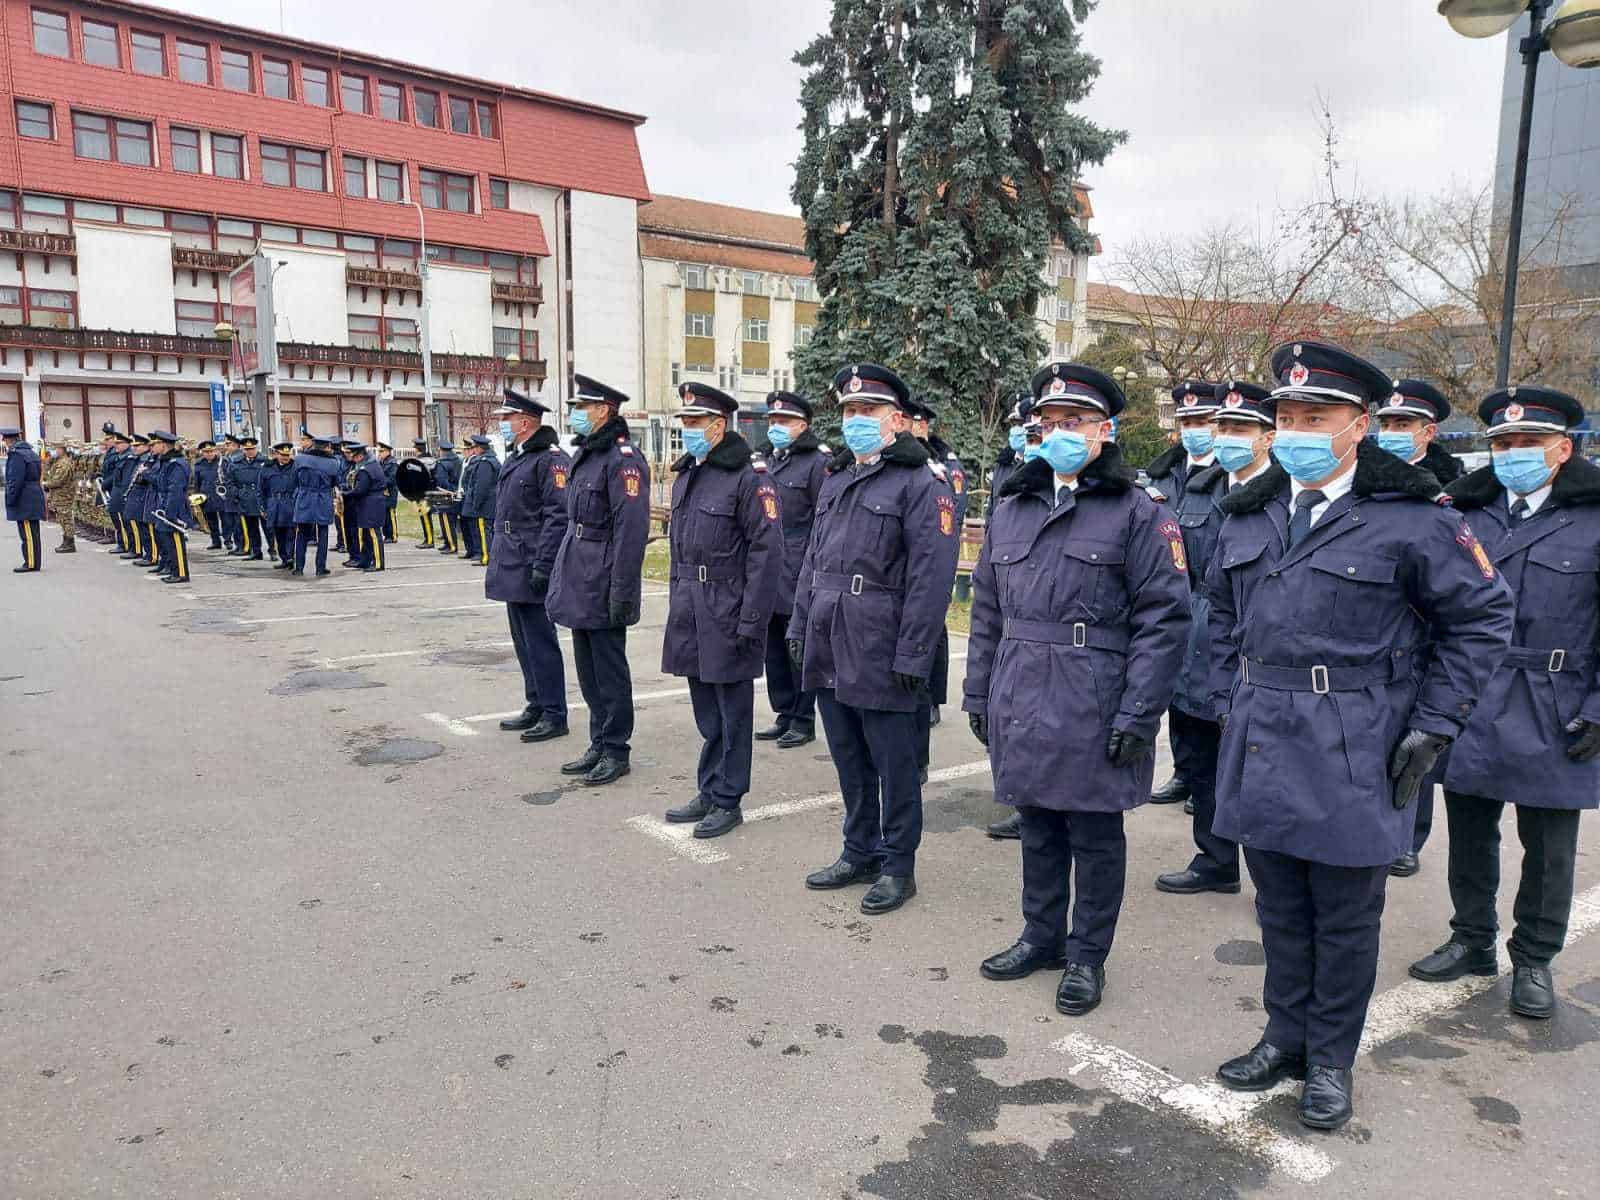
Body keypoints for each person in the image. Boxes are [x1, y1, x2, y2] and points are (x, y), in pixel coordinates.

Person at [1206, 340, 1513, 1132]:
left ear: (1360, 425)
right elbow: (1218, 613)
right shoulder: (1253, 509)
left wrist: (1436, 723)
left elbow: (1481, 620)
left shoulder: (1412, 520)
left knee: (1344, 914)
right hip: (1263, 731)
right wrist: (1221, 696)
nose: (1298, 429)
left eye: (1318, 416)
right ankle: (1283, 1036)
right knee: (1278, 906)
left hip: (1356, 736)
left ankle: (1332, 1059)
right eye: (1287, 416)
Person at [965, 362, 1189, 1015]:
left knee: (1093, 836)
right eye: (1050, 423)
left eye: (1074, 422)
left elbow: (1165, 619)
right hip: (1022, 689)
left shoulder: (1137, 512)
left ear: (1105, 430)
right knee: (1036, 824)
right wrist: (979, 692)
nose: (1059, 433)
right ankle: (1041, 936)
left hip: (1095, 695)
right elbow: (986, 609)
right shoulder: (1013, 506)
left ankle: (1087, 956)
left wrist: (1139, 712)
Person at [1409, 386, 1600, 1022]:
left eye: (1527, 442)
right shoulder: (1469, 512)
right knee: (1468, 827)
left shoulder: (1595, 517)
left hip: (1556, 696)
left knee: (1548, 842)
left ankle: (1536, 958)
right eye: (1502, 443)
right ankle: (1471, 939)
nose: (1512, 452)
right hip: (1474, 692)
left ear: (1563, 448)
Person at [788, 363, 961, 914]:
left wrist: (914, 652)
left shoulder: (921, 484)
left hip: (882, 643)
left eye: (868, 411)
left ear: (898, 420)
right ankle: (858, 848)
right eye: (849, 411)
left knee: (895, 763)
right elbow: (812, 561)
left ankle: (897, 864)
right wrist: (798, 625)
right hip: (830, 636)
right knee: (847, 756)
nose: (856, 420)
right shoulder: (837, 478)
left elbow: (931, 580)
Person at [1153, 380, 1276, 897]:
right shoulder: (1202, 489)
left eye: (1238, 428)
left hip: (1260, 648)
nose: (1225, 436)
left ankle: (1274, 883)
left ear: (1266, 437)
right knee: (1204, 759)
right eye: (1220, 426)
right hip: (1200, 636)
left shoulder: (1287, 497)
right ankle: (1215, 859)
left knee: (1262, 768)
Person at [660, 382, 782, 838]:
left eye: (695, 422)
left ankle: (729, 797)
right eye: (684, 422)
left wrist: (752, 618)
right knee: (706, 709)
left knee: (733, 711)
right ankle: (710, 787)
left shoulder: (749, 477)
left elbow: (766, 553)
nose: (687, 430)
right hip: (691, 607)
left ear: (718, 424)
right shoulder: (690, 472)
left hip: (728, 606)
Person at [1372, 378, 1464, 878]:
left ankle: (1411, 835)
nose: (1392, 432)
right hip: (1380, 630)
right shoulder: (1367, 478)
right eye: (1387, 423)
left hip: (1426, 633)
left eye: (1402, 425)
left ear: (1427, 433)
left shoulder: (1450, 490)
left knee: (1418, 742)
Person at [545, 373, 651, 786]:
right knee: (587, 669)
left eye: (581, 407)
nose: (575, 415)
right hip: (579, 572)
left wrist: (622, 591)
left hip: (605, 576)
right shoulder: (588, 454)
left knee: (609, 669)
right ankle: (598, 741)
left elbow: (631, 531)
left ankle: (616, 748)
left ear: (603, 411)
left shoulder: (623, 460)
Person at [1143, 380, 1220, 809]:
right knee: (1174, 694)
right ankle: (1184, 773)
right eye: (1186, 420)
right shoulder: (1162, 474)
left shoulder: (1228, 476)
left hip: (1205, 597)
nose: (1193, 428)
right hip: (1168, 597)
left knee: (1204, 699)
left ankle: (1206, 782)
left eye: (1202, 420)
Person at [488, 387, 573, 744]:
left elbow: (558, 515)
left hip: (531, 556)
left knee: (539, 638)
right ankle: (536, 702)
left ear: (525, 422)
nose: (503, 425)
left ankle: (555, 712)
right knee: (522, 637)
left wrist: (544, 563)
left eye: (507, 419)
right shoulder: (519, 456)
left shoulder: (550, 460)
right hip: (511, 554)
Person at [754, 390, 829, 750]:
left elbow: (824, 519)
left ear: (802, 425)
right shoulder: (767, 461)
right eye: (772, 421)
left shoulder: (816, 463)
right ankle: (784, 711)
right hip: (767, 567)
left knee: (797, 645)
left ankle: (803, 718)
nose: (776, 427)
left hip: (800, 567)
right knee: (772, 648)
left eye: (783, 422)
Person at [291, 435, 342, 577]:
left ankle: (299, 568)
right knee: (323, 533)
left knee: (301, 533)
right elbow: (335, 482)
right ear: (327, 447)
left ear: (313, 445)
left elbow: (294, 479)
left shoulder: (300, 459)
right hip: (323, 498)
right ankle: (320, 568)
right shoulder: (333, 462)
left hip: (304, 497)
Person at [150, 430, 194, 584]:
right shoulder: (166, 461)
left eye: (155, 444)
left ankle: (181, 573)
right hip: (164, 503)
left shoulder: (176, 464)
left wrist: (170, 512)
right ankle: (174, 570)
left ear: (163, 444)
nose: (152, 447)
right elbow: (161, 482)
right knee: (167, 540)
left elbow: (175, 489)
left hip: (175, 507)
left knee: (175, 541)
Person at [2, 427, 44, 573]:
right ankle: (33, 561)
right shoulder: (30, 453)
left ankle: (31, 563)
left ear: (9, 440)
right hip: (33, 495)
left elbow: (15, 480)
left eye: (5, 439)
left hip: (24, 498)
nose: (4, 442)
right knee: (33, 532)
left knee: (28, 534)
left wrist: (11, 499)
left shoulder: (17, 455)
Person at [341, 442, 387, 572]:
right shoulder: (371, 465)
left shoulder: (365, 469)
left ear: (360, 456)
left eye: (354, 457)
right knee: (367, 534)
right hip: (371, 503)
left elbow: (360, 490)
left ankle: (378, 563)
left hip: (371, 504)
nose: (353, 460)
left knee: (373, 534)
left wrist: (345, 494)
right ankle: (366, 560)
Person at [458, 434, 500, 566]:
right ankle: (488, 556)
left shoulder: (485, 462)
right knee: (487, 530)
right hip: (489, 502)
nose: (473, 449)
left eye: (475, 447)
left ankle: (486, 557)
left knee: (484, 531)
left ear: (481, 448)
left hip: (485, 504)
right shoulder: (489, 460)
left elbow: (482, 486)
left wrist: (476, 503)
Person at [988, 392, 1031, 512]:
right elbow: (991, 509)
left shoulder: (1042, 465)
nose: (1017, 429)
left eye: (1021, 423)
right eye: (1014, 423)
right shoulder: (1002, 465)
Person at [262, 442, 298, 569]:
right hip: (274, 505)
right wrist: (263, 507)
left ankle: (290, 558)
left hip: (290, 504)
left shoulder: (295, 467)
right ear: (276, 454)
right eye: (282, 455)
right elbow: (261, 489)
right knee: (278, 534)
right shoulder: (267, 468)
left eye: (287, 455)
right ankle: (284, 558)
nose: (285, 457)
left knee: (290, 533)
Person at [230, 437, 267, 561]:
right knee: (251, 528)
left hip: (261, 498)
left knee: (268, 528)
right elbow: (230, 482)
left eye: (252, 449)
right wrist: (237, 493)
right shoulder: (236, 463)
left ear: (256, 448)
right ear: (242, 450)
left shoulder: (265, 461)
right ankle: (256, 551)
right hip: (245, 499)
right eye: (247, 449)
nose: (250, 451)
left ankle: (273, 550)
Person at [432, 439, 463, 554]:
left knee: (446, 521)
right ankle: (447, 543)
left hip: (445, 494)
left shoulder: (441, 463)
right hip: (456, 493)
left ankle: (451, 545)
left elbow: (441, 481)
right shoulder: (458, 460)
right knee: (450, 521)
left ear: (441, 450)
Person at [102, 429, 130, 555]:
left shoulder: (125, 456)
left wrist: (106, 483)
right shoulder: (116, 454)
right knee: (116, 516)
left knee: (121, 518)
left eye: (118, 443)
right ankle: (122, 543)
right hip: (115, 488)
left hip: (119, 489)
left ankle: (125, 544)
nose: (116, 445)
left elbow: (116, 474)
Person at [193, 441, 224, 550]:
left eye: (211, 451)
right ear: (202, 452)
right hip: (206, 495)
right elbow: (197, 482)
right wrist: (197, 496)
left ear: (215, 451)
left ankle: (228, 540)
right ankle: (216, 541)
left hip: (221, 495)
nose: (209, 454)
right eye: (206, 452)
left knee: (226, 520)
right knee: (211, 520)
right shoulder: (199, 464)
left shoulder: (222, 462)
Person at [218, 433, 242, 554]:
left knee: (239, 523)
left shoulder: (237, 458)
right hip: (228, 494)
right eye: (226, 444)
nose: (226, 446)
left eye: (229, 444)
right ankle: (238, 545)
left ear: (236, 445)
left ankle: (243, 546)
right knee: (231, 522)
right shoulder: (226, 457)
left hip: (236, 494)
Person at [410, 439, 436, 548]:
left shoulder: (420, 461)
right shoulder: (431, 460)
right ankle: (428, 539)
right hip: (429, 491)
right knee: (425, 516)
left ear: (417, 450)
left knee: (425, 516)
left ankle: (429, 540)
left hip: (422, 492)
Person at [377, 443, 399, 543]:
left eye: (382, 451)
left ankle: (393, 535)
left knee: (390, 513)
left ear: (388, 452)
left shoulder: (392, 463)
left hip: (390, 491)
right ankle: (387, 535)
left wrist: (380, 482)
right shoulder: (382, 462)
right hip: (383, 492)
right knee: (384, 514)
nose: (379, 453)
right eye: (379, 451)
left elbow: (392, 479)